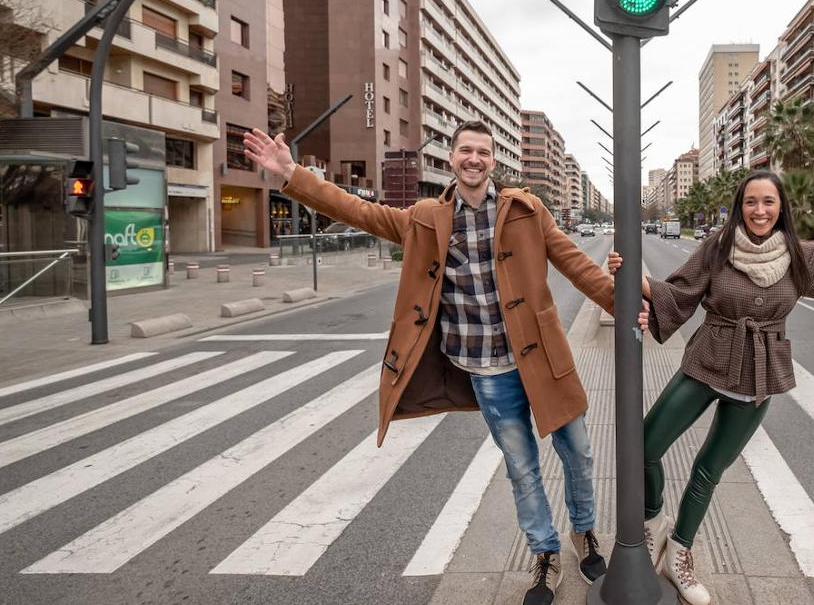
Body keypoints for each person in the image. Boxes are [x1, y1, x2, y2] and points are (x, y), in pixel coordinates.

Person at [243, 121, 614, 605]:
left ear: (493, 161)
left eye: (483, 151)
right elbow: (359, 210)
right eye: (465, 150)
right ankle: (543, 552)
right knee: (522, 468)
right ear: (453, 157)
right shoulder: (424, 218)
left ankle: (583, 530)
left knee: (579, 453)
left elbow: (576, 264)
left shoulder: (527, 210)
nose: (474, 159)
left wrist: (625, 303)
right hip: (486, 371)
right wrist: (293, 173)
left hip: (544, 361)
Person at [608, 169, 814, 605]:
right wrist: (628, 274)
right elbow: (679, 292)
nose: (760, 210)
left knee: (708, 472)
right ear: (740, 207)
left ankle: (680, 553)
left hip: (759, 373)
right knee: (645, 445)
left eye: (768, 201)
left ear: (781, 207)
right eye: (751, 201)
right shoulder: (716, 248)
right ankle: (653, 521)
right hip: (707, 359)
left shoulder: (797, 255)